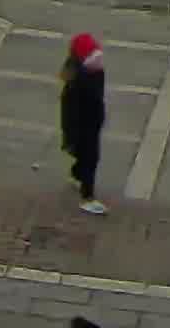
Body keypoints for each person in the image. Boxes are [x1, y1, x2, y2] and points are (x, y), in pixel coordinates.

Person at [59, 32, 110, 213]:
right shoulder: (80, 80)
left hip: (92, 123)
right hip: (83, 127)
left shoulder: (95, 73)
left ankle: (76, 174)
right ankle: (87, 197)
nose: (98, 58)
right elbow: (74, 110)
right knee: (91, 158)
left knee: (86, 157)